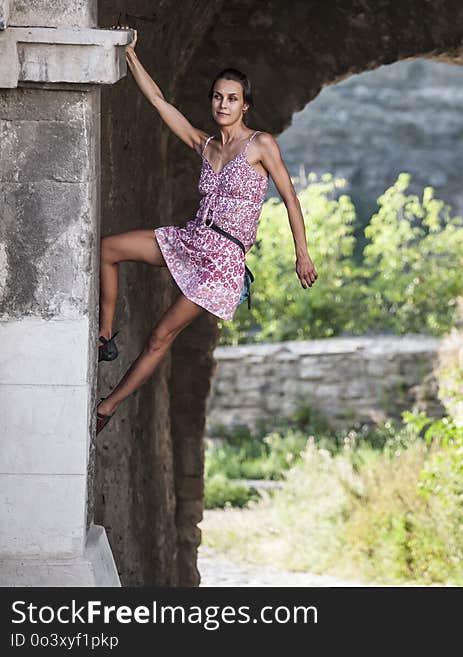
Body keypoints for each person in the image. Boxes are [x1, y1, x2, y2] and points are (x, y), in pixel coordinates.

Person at [95, 24, 318, 434]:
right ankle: (105, 335)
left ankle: (107, 408)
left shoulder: (261, 145)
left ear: (244, 106)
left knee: (161, 336)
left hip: (222, 264)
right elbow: (160, 103)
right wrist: (129, 54)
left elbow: (290, 197)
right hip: (191, 239)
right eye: (218, 97)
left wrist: (301, 252)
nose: (223, 104)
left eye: (232, 99)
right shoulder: (205, 145)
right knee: (108, 249)